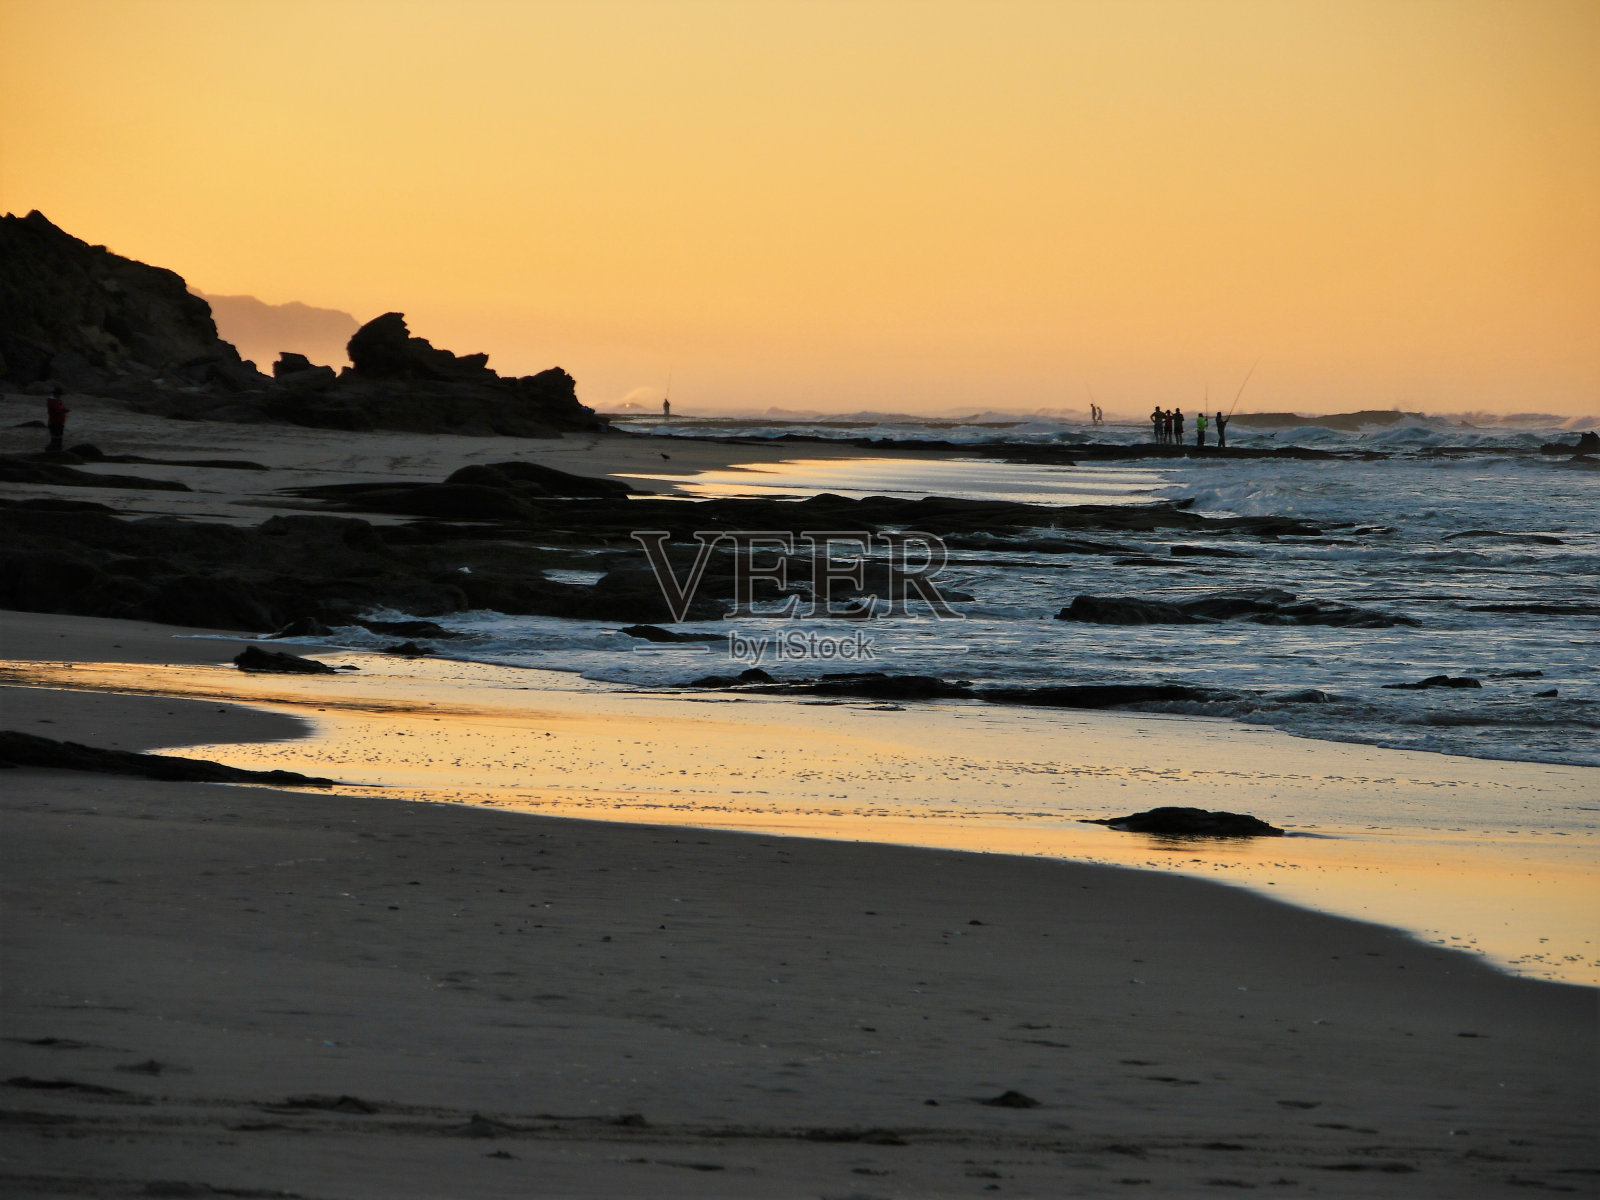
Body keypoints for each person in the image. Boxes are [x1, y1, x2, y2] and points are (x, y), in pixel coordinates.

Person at [46, 388, 69, 453]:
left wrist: (64, 410)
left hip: (58, 421)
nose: (60, 396)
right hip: (55, 422)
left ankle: (57, 450)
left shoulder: (56, 401)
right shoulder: (53, 401)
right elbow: (57, 410)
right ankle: (54, 450)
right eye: (59, 394)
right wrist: (64, 410)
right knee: (56, 437)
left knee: (58, 437)